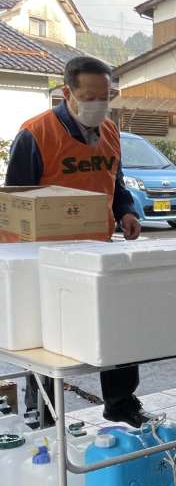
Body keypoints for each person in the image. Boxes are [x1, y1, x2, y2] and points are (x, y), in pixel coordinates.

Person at [6, 56, 150, 427]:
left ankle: (121, 401)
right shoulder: (35, 134)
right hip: (46, 256)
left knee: (116, 326)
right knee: (47, 339)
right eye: (89, 96)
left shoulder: (110, 132)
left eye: (105, 96)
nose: (98, 104)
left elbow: (114, 182)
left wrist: (126, 212)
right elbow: (17, 200)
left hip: (97, 252)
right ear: (67, 93)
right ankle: (44, 412)